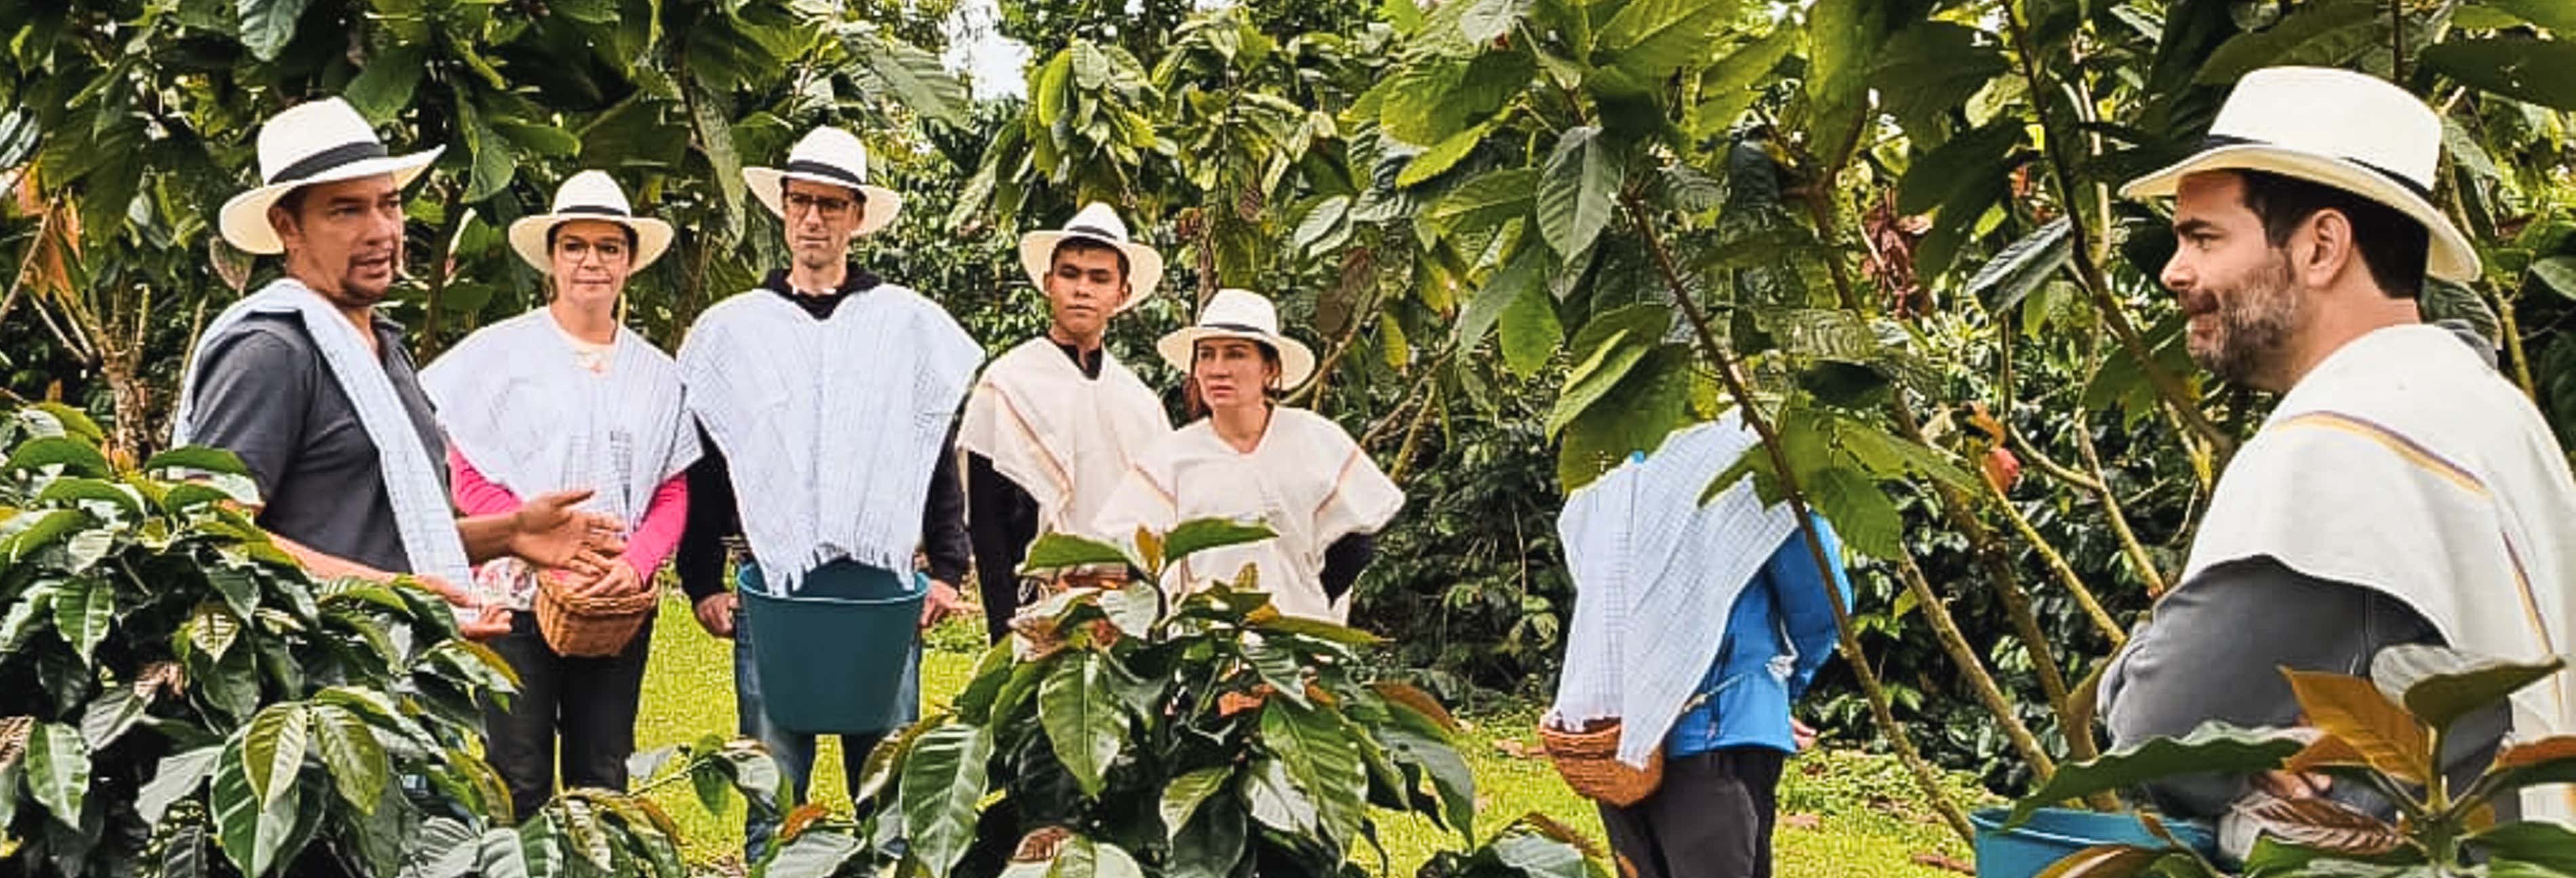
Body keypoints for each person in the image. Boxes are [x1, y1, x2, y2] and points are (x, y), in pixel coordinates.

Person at [2097, 66, 2576, 835]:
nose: (2172, 270)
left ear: (2321, 245)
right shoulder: (2492, 414)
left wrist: (2135, 682)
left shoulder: (2340, 442)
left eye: (2202, 237)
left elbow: (2155, 731)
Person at [174, 97, 617, 642]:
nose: (381, 230)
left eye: (389, 204)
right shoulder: (271, 350)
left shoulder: (380, 348)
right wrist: (391, 593)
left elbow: (385, 534)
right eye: (346, 210)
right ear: (287, 225)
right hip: (312, 689)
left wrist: (512, 531)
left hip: (395, 684)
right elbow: (213, 532)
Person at [672, 125, 980, 855]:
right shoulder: (735, 331)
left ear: (856, 216)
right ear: (782, 209)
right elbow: (712, 460)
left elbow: (927, 447)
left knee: (890, 796)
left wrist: (947, 567)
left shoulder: (905, 324)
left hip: (879, 587)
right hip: (776, 587)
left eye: (831, 205)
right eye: (801, 202)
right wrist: (700, 581)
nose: (814, 219)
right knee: (773, 799)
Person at [418, 171, 697, 821]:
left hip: (613, 601)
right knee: (515, 774)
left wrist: (631, 565)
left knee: (604, 773)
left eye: (608, 247)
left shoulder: (658, 375)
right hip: (514, 595)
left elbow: (673, 490)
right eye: (575, 246)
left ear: (630, 260)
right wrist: (542, 548)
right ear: (552, 258)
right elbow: (471, 476)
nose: (591, 262)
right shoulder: (499, 356)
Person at [1549, 417, 1849, 878]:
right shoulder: (1752, 456)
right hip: (1720, 727)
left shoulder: (1605, 455)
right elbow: (1823, 599)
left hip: (1619, 738)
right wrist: (1775, 684)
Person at [1091, 288, 1399, 623]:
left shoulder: (1315, 440)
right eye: (1207, 355)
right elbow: (1128, 556)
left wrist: (1302, 603)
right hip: (1204, 656)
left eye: (1236, 354)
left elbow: (1354, 546)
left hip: (1299, 652)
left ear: (1269, 369)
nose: (1217, 369)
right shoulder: (1171, 458)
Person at [959, 203, 1172, 642]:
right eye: (1070, 274)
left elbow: (1163, 520)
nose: (1082, 289)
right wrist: (1005, 625)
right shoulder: (1007, 383)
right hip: (1039, 606)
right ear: (1047, 283)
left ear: (1123, 293)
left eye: (1099, 278)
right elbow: (987, 522)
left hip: (1127, 612)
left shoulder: (1141, 403)